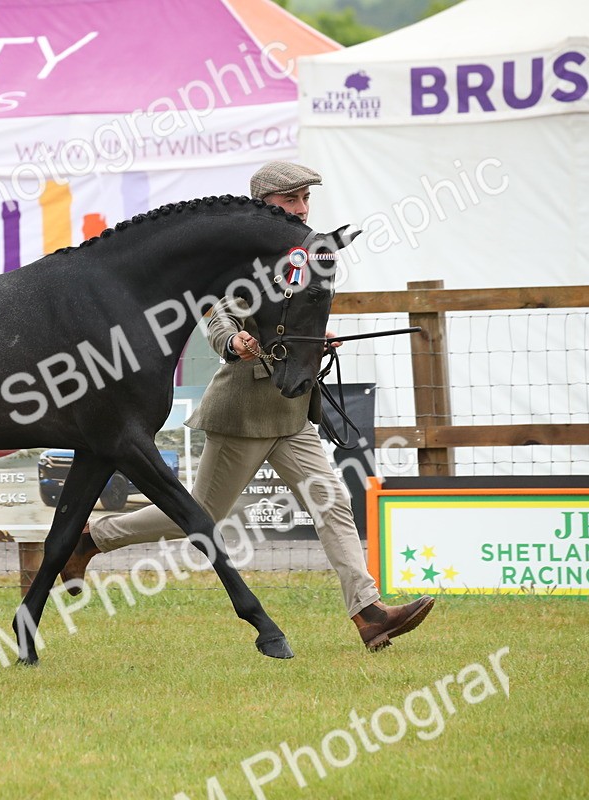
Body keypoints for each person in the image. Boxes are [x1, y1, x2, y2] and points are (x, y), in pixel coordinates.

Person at [61, 161, 433, 652]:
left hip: (293, 413)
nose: (301, 209)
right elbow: (218, 313)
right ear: (263, 205)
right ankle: (91, 539)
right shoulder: (239, 260)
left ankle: (369, 614)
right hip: (244, 415)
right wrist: (233, 339)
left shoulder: (305, 257)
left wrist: (315, 339)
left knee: (332, 504)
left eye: (304, 200)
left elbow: (298, 318)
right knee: (198, 513)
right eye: (289, 201)